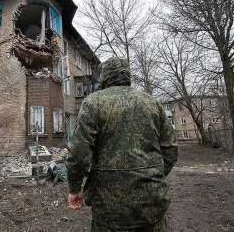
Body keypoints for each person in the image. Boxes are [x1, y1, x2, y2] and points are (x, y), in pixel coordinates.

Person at [66, 57, 178, 232]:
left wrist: (74, 189)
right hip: (151, 204)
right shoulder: (152, 103)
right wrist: (151, 175)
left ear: (105, 77)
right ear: (127, 76)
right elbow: (171, 149)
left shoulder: (93, 103)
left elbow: (78, 154)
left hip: (109, 208)